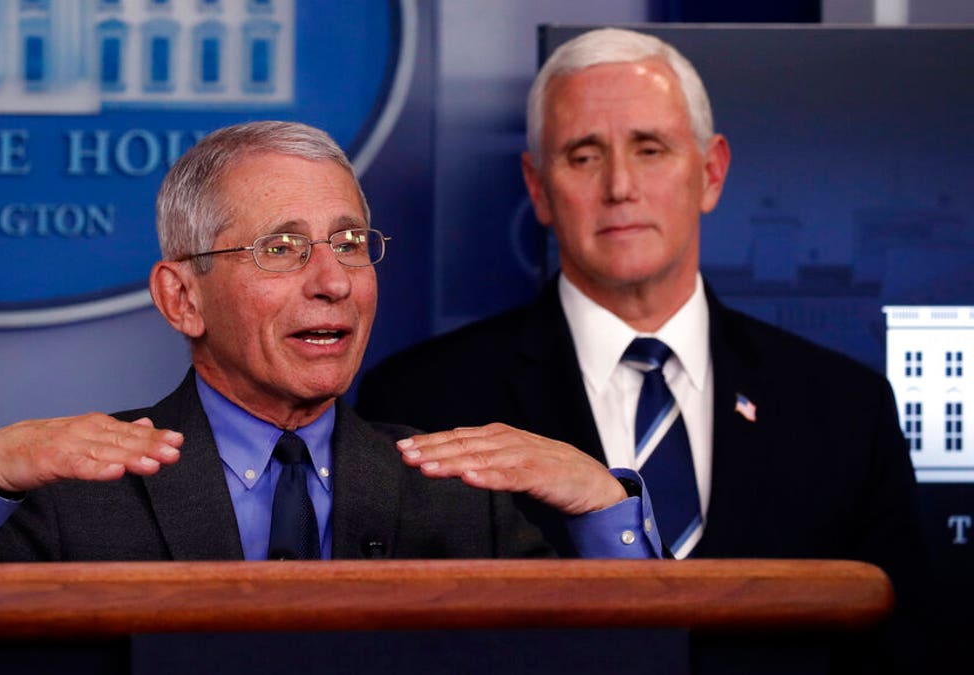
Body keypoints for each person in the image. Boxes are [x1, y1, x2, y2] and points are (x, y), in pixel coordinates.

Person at [0, 120, 663, 675]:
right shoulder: (72, 500)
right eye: (284, 248)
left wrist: (602, 508)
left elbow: (637, 665)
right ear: (182, 297)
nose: (332, 282)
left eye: (352, 243)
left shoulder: (454, 498)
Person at [356, 24, 923, 616]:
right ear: (539, 188)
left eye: (650, 149)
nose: (620, 187)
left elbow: (899, 644)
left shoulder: (846, 408)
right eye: (584, 155)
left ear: (711, 172)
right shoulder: (423, 401)